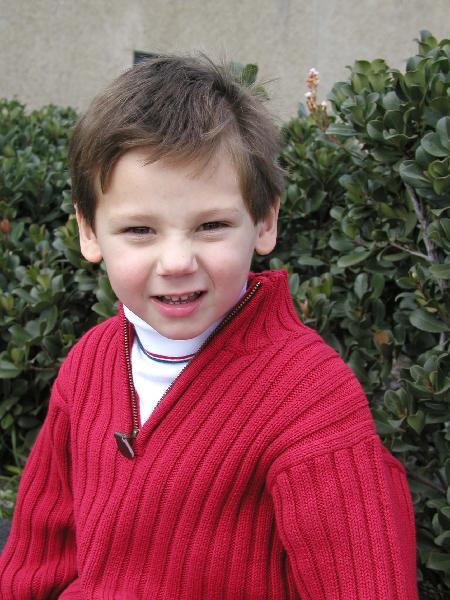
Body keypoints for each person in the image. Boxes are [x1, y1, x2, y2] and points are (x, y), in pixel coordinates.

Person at [0, 54, 418, 599]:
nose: (177, 262)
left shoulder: (308, 398)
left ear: (264, 221)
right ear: (90, 233)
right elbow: (41, 548)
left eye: (212, 225)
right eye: (140, 230)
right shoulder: (90, 362)